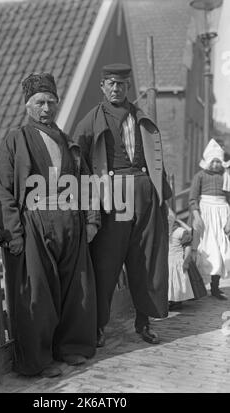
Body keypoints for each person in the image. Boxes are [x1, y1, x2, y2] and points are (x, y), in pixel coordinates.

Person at [0, 72, 100, 378]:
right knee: (38, 293)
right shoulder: (16, 140)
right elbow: (4, 191)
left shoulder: (68, 142)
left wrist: (91, 219)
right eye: (39, 102)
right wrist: (13, 234)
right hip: (35, 224)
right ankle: (39, 360)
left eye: (51, 102)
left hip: (70, 221)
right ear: (27, 105)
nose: (46, 108)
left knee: (75, 288)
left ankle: (71, 347)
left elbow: (86, 183)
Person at [73, 63, 172, 346]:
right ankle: (98, 327)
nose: (116, 89)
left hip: (145, 195)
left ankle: (144, 322)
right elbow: (76, 162)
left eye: (121, 84)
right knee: (106, 263)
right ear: (102, 87)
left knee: (147, 260)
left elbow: (158, 163)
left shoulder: (141, 118)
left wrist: (165, 199)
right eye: (111, 84)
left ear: (128, 87)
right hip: (112, 198)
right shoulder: (91, 121)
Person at [189, 138, 230, 300]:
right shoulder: (199, 176)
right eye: (213, 162)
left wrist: (229, 222)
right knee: (203, 250)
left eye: (218, 162)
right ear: (207, 161)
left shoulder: (226, 177)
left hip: (222, 215)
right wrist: (197, 216)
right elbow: (192, 199)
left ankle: (215, 286)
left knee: (220, 251)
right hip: (205, 214)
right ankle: (195, 287)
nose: (215, 165)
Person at [167, 208, 194, 311]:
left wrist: (186, 261)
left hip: (177, 262)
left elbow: (187, 247)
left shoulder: (180, 231)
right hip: (167, 261)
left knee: (178, 282)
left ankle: (177, 301)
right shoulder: (164, 232)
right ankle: (170, 300)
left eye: (169, 219)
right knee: (169, 282)